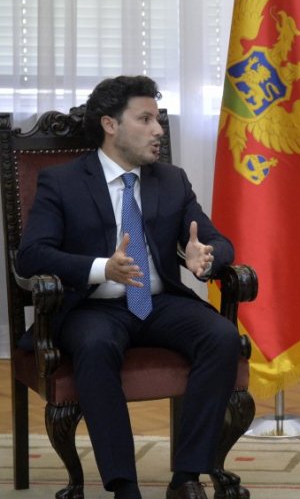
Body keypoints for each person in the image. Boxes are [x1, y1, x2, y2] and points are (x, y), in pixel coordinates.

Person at [16, 76, 244, 499]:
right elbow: (31, 256)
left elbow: (218, 241)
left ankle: (186, 477)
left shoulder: (171, 180)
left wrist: (206, 256)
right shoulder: (62, 182)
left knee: (222, 336)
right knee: (96, 345)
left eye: (158, 120)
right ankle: (124, 486)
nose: (158, 130)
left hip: (158, 303)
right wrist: (102, 268)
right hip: (91, 307)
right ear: (110, 124)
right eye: (145, 119)